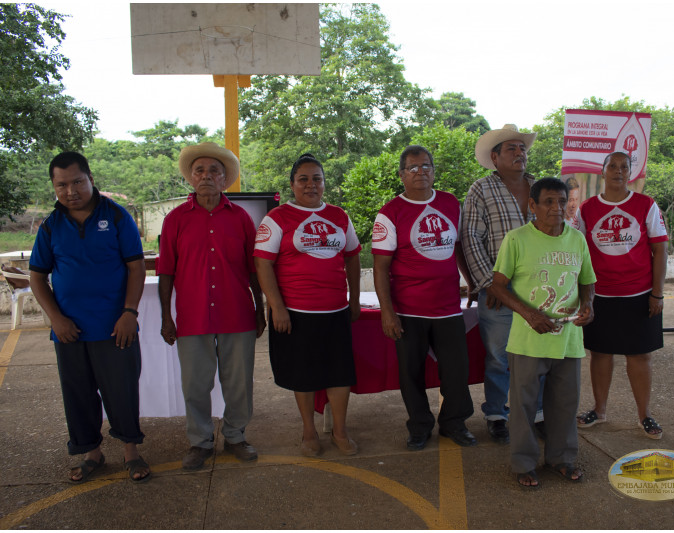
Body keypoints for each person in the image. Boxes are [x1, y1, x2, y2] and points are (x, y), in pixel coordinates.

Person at [29, 151, 151, 483]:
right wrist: (56, 319)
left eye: (77, 182)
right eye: (62, 184)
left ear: (91, 179)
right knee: (78, 394)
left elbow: (135, 267)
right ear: (54, 186)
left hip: (115, 328)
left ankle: (131, 453)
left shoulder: (116, 217)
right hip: (69, 331)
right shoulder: (51, 226)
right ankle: (91, 454)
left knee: (121, 391)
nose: (71, 191)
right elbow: (37, 276)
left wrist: (129, 312)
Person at [157, 142, 266, 470]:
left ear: (224, 179)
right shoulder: (175, 220)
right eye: (200, 170)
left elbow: (253, 269)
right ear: (191, 177)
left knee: (239, 383)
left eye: (214, 171)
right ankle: (200, 442)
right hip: (192, 317)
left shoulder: (242, 219)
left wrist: (260, 310)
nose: (206, 176)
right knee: (195, 385)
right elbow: (165, 271)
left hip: (237, 313)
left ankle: (236, 436)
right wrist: (166, 316)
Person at [489, 177, 596, 488]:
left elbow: (587, 280)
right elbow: (497, 285)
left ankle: (561, 459)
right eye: (548, 201)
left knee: (564, 404)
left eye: (561, 201)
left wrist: (589, 305)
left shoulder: (576, 239)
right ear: (532, 206)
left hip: (569, 339)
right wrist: (529, 314)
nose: (556, 208)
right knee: (522, 406)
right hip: (527, 340)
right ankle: (523, 463)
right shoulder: (517, 239)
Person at [254, 154, 362, 457]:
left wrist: (353, 299)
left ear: (324, 183)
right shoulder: (277, 218)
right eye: (303, 179)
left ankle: (340, 432)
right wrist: (277, 307)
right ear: (292, 184)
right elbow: (263, 265)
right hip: (296, 313)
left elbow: (352, 255)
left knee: (340, 374)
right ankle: (308, 431)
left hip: (335, 310)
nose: (311, 184)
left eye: (317, 178)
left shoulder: (339, 215)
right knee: (303, 375)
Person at [373, 145, 475, 451]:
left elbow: (458, 248)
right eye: (414, 168)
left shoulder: (450, 203)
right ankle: (419, 426)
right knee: (411, 372)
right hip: (409, 309)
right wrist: (387, 311)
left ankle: (454, 423)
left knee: (456, 371)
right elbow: (380, 267)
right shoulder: (390, 213)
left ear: (433, 170)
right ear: (402, 174)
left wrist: (470, 282)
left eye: (426, 166)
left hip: (447, 308)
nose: (421, 172)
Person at [572, 151, 668, 439]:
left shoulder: (645, 205)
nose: (618, 171)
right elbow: (577, 251)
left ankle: (645, 415)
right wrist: (580, 295)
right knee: (600, 354)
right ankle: (599, 411)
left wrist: (657, 294)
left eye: (624, 167)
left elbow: (660, 249)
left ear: (631, 173)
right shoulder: (587, 209)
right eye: (612, 166)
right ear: (603, 172)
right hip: (600, 295)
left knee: (639, 356)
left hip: (639, 294)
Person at [460, 124, 540, 444]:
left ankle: (539, 413)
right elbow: (470, 239)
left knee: (539, 353)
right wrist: (489, 284)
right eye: (511, 149)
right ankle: (496, 413)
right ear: (495, 157)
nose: (519, 153)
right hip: (497, 292)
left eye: (522, 149)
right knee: (498, 356)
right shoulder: (480, 189)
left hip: (539, 289)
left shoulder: (540, 188)